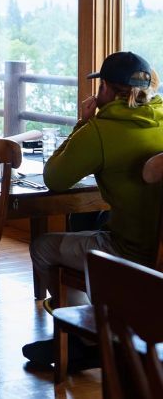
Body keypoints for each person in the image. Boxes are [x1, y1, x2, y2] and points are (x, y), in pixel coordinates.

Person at [22, 51, 163, 369]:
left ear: (107, 91)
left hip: (130, 251)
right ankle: (105, 322)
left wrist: (82, 123)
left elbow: (55, 178)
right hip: (158, 250)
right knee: (95, 220)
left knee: (43, 247)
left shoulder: (100, 129)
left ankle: (82, 338)